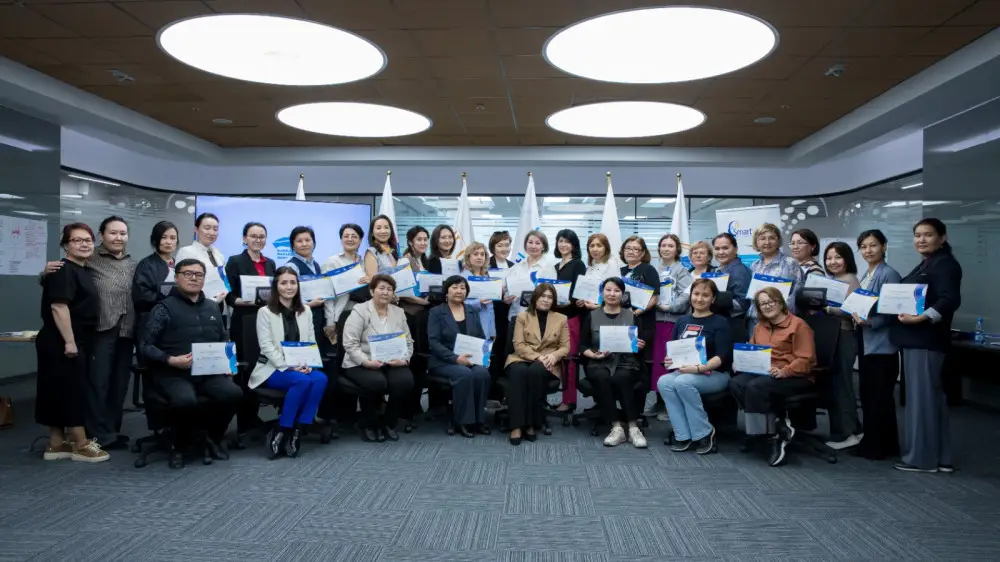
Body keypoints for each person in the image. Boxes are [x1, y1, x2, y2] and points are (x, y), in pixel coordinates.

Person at [45, 215, 137, 449]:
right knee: (99, 383)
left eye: (123, 233)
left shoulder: (132, 263)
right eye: (113, 233)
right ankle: (97, 434)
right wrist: (44, 273)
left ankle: (112, 431)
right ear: (102, 235)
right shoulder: (90, 257)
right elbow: (61, 278)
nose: (118, 237)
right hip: (101, 329)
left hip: (127, 330)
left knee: (119, 385)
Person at [140, 258, 242, 468]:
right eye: (187, 274)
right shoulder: (163, 308)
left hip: (208, 371)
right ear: (176, 277)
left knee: (233, 393)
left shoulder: (212, 306)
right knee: (185, 400)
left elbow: (223, 338)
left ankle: (211, 437)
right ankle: (180, 445)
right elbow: (145, 346)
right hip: (173, 372)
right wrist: (170, 360)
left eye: (199, 274)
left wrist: (229, 364)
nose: (194, 278)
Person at [891, 218, 962, 474]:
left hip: (925, 340)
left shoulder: (945, 264)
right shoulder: (929, 262)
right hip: (919, 341)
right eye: (917, 235)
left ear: (942, 237)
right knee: (930, 400)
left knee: (921, 402)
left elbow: (950, 299)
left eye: (928, 235)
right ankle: (940, 457)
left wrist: (921, 317)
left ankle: (921, 460)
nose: (921, 239)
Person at [36, 223, 109, 463]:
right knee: (73, 391)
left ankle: (56, 443)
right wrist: (69, 342)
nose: (84, 244)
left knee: (58, 389)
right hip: (63, 339)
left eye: (88, 240)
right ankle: (81, 443)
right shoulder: (63, 269)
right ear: (66, 245)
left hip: (69, 339)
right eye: (77, 240)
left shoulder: (79, 269)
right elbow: (59, 306)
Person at [729, 287, 816, 467]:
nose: (767, 306)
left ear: (781, 303)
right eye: (763, 304)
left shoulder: (798, 325)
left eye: (771, 302)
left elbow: (807, 360)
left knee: (755, 387)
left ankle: (772, 435)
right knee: (736, 383)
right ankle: (774, 427)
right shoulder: (760, 327)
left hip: (794, 375)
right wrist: (740, 362)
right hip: (765, 372)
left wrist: (785, 371)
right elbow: (752, 350)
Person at [250, 267, 328, 458]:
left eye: (293, 282)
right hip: (273, 367)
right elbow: (266, 346)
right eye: (284, 283)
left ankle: (298, 429)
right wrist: (288, 366)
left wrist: (309, 364)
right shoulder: (265, 312)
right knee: (302, 381)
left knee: (320, 379)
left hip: (301, 364)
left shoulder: (306, 310)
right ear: (276, 286)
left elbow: (311, 341)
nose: (289, 287)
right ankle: (283, 429)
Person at [658, 278, 733, 455]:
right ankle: (683, 434)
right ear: (690, 295)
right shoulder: (682, 321)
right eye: (696, 294)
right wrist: (670, 361)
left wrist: (699, 368)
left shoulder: (720, 322)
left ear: (713, 299)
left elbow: (722, 356)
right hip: (686, 372)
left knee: (682, 382)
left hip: (715, 374)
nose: (699, 298)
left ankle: (704, 432)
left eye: (705, 295)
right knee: (663, 382)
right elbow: (674, 350)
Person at [341, 274, 416, 441]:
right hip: (361, 360)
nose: (385, 292)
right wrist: (366, 362)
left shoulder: (398, 312)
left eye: (389, 289)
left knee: (405, 380)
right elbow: (350, 344)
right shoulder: (360, 310)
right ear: (372, 291)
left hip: (392, 361)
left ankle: (389, 422)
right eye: (381, 288)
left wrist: (404, 359)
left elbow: (408, 341)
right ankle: (368, 424)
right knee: (376, 382)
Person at [580, 277, 648, 448]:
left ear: (623, 295)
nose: (612, 294)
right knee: (602, 377)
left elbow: (640, 345)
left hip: (626, 362)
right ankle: (616, 428)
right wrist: (594, 355)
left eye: (617, 291)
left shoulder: (632, 316)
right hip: (599, 362)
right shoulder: (592, 316)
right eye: (608, 290)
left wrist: (640, 345)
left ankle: (633, 428)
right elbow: (583, 345)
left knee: (621, 377)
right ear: (602, 292)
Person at [852, 229, 902, 461]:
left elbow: (893, 312)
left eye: (873, 245)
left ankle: (878, 446)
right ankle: (879, 442)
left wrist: (870, 322)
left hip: (882, 345)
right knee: (870, 396)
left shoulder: (889, 274)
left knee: (879, 397)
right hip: (867, 341)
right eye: (863, 247)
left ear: (884, 246)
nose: (868, 250)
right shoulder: (867, 273)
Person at [224, 222, 277, 437]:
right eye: (253, 236)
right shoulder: (235, 261)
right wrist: (244, 301)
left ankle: (254, 415)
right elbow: (229, 294)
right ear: (244, 238)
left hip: (267, 320)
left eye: (261, 236)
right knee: (245, 368)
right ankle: (245, 420)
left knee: (262, 365)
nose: (258, 240)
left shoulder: (270, 263)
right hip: (244, 321)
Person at [427, 275, 493, 437]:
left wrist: (484, 356)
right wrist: (455, 358)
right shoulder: (436, 312)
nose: (459, 291)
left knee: (482, 373)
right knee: (464, 374)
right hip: (444, 361)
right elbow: (434, 342)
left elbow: (480, 337)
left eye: (463, 288)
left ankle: (479, 419)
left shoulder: (472, 311)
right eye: (455, 287)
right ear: (446, 292)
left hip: (470, 359)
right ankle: (463, 421)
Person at [505, 284, 569, 445]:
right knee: (518, 372)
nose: (546, 300)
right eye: (542, 296)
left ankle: (531, 423)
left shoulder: (561, 318)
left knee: (535, 371)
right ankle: (516, 425)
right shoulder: (522, 316)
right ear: (535, 298)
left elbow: (565, 347)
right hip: (521, 357)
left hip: (548, 360)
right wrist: (538, 357)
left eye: (550, 297)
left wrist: (553, 356)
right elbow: (519, 345)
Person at [821, 241, 862, 450]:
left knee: (844, 385)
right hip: (831, 335)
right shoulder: (832, 280)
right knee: (835, 385)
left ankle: (851, 432)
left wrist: (827, 309)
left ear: (847, 259)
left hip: (844, 335)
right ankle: (843, 431)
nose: (833, 262)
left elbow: (853, 310)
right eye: (829, 258)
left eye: (838, 257)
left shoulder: (850, 280)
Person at [398, 226, 433, 428]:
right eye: (419, 239)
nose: (423, 242)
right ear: (410, 242)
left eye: (425, 239)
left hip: (422, 317)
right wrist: (421, 302)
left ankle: (415, 405)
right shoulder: (405, 261)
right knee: (410, 362)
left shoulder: (424, 261)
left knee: (420, 362)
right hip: (409, 316)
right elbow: (401, 291)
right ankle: (406, 410)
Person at [647, 235, 684, 413]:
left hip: (671, 321)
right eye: (663, 245)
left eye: (670, 245)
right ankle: (659, 402)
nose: (666, 249)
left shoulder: (682, 270)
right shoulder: (653, 269)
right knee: (656, 363)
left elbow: (687, 295)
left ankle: (670, 406)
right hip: (654, 320)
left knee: (669, 362)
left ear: (677, 249)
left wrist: (671, 307)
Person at [552, 230, 586, 413]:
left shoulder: (578, 264)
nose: (563, 245)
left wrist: (570, 301)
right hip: (554, 317)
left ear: (574, 245)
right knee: (556, 359)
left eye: (567, 242)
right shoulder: (555, 266)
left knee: (569, 360)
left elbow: (580, 292)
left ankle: (569, 401)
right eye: (560, 241)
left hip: (571, 317)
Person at [748, 223, 804, 328]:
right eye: (762, 238)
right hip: (755, 323)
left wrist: (778, 316)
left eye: (772, 238)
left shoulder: (790, 264)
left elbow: (796, 295)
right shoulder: (754, 266)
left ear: (778, 241)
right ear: (757, 242)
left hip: (780, 323)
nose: (767, 242)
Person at [322, 223, 370, 341]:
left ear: (360, 240)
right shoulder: (332, 262)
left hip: (363, 315)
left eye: (354, 236)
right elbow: (327, 294)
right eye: (346, 236)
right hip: (341, 314)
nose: (350, 239)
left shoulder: (364, 262)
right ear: (341, 239)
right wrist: (330, 321)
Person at [285, 226, 329, 347]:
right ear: (293, 245)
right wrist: (310, 304)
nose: (304, 244)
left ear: (313, 243)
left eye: (308, 240)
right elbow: (287, 298)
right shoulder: (291, 266)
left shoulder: (316, 265)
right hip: (299, 317)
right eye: (299, 241)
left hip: (317, 318)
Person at [133, 221, 178, 334]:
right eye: (163, 237)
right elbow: (141, 296)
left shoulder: (179, 264)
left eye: (173, 238)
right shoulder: (146, 264)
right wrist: (168, 301)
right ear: (155, 239)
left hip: (177, 321)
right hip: (152, 321)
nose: (168, 242)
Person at [175, 212, 228, 304]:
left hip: (220, 304)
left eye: (215, 229)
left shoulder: (219, 255)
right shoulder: (186, 252)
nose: (212, 233)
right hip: (196, 305)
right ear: (196, 229)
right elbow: (182, 283)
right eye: (207, 228)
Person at [506, 231, 557, 320]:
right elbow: (508, 289)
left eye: (537, 243)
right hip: (515, 315)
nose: (533, 246)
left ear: (543, 246)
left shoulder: (549, 268)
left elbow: (551, 296)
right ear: (526, 245)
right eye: (530, 242)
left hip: (538, 318)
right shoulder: (517, 266)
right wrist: (506, 298)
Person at [712, 233, 752, 343]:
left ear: (735, 249)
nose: (720, 252)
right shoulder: (719, 269)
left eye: (725, 248)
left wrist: (713, 301)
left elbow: (744, 303)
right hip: (721, 324)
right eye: (717, 248)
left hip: (733, 325)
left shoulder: (739, 271)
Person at [461, 241, 498, 341]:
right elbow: (458, 303)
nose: (479, 257)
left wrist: (492, 331)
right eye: (475, 254)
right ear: (468, 257)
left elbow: (490, 308)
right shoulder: (462, 278)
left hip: (486, 327)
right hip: (468, 324)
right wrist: (478, 302)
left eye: (482, 254)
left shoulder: (487, 277)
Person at [576, 233, 618, 312]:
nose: (595, 249)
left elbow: (617, 292)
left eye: (599, 246)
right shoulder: (591, 266)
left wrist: (599, 306)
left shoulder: (611, 265)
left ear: (606, 248)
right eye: (592, 246)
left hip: (605, 312)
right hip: (588, 311)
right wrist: (582, 300)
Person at [364, 214, 399, 279]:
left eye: (386, 227)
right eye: (378, 228)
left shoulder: (393, 250)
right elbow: (373, 280)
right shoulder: (372, 252)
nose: (383, 231)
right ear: (372, 233)